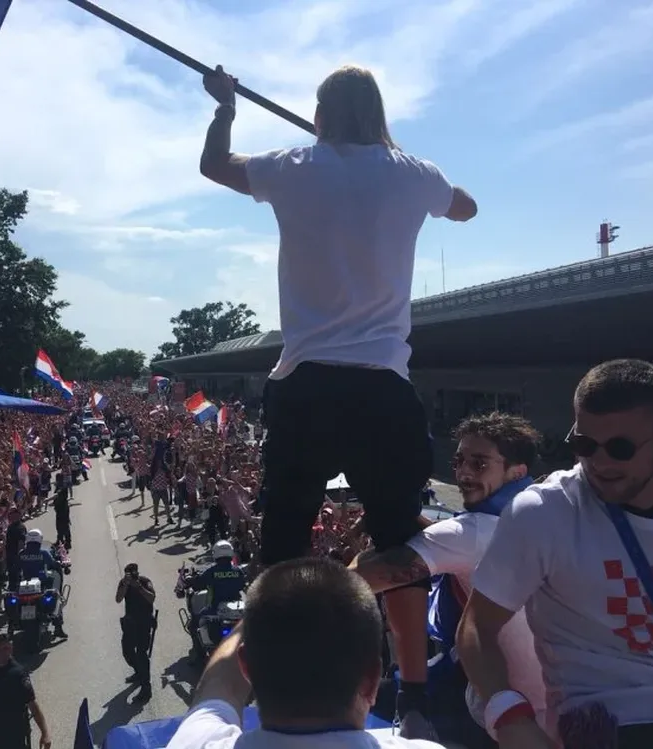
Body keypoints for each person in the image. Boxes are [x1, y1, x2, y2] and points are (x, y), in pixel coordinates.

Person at [196, 62, 477, 695]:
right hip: (383, 387)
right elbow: (467, 208)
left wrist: (225, 107)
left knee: (284, 545)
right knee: (401, 547)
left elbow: (216, 165)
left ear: (319, 116)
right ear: (380, 116)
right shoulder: (415, 175)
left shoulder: (294, 167)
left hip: (307, 384)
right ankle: (414, 691)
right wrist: (398, 161)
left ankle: (272, 684)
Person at [457, 359, 653, 749]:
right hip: (609, 726)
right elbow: (477, 627)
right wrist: (510, 716)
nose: (599, 463)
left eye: (620, 448)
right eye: (584, 444)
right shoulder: (543, 513)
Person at [352, 413, 546, 745]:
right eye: (459, 461)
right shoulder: (541, 514)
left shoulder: (469, 534)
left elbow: (356, 581)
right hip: (561, 704)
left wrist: (382, 525)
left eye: (480, 464)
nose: (464, 473)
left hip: (509, 715)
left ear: (517, 471)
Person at [165, 557, 446, 749]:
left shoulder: (197, 743)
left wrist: (275, 604)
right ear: (372, 680)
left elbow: (218, 688)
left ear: (247, 667)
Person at [0, 634, 52, 749]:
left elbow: (32, 704)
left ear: (11, 649)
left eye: (7, 648)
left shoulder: (19, 673)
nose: (4, 652)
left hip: (15, 731)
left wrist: (45, 732)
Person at [185, 540, 246, 658]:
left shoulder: (212, 571)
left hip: (216, 608)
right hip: (237, 608)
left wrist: (190, 581)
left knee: (193, 624)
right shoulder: (237, 571)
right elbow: (242, 585)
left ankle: (198, 655)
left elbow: (198, 584)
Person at [116, 562, 157, 702]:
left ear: (137, 573)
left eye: (134, 573)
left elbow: (152, 598)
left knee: (141, 654)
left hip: (144, 623)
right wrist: (126, 585)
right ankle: (138, 672)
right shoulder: (123, 583)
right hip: (130, 623)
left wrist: (138, 587)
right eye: (129, 574)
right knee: (127, 651)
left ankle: (146, 688)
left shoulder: (145, 582)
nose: (132, 576)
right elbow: (118, 599)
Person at [17, 529, 68, 639]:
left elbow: (17, 567)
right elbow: (53, 563)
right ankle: (58, 627)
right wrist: (60, 563)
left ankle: (11, 627)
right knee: (55, 593)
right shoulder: (43, 553)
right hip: (42, 582)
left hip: (25, 583)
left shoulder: (22, 553)